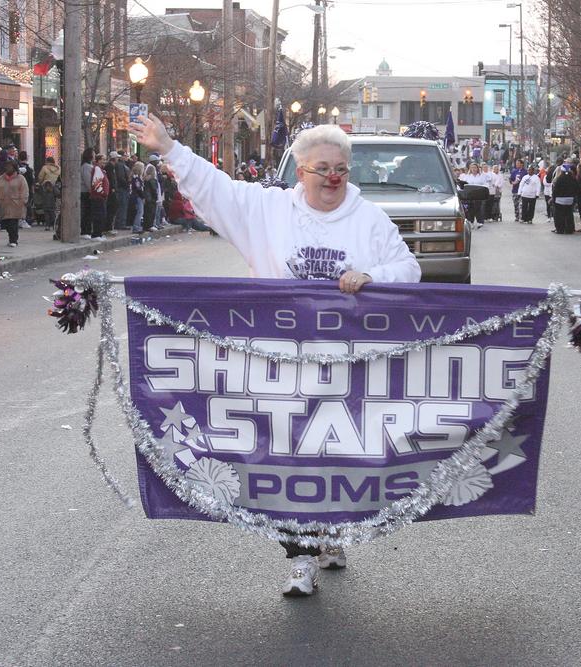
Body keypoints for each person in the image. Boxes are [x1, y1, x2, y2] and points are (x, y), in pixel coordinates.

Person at [130, 114, 421, 598]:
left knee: (335, 457)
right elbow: (214, 187)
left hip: (344, 370)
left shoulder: (369, 219)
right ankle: (301, 556)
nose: (334, 178)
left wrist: (373, 277)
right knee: (290, 458)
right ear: (300, 170)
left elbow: (408, 268)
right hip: (278, 366)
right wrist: (168, 147)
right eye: (323, 168)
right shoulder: (266, 210)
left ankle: (330, 532)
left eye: (342, 169)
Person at [0, 159, 29, 247]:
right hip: (4, 204)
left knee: (13, 223)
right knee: (6, 223)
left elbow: (24, 190)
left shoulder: (20, 178)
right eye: (7, 166)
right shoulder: (1, 178)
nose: (7, 168)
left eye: (10, 167)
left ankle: (13, 240)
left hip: (16, 204)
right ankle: (11, 237)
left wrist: (24, 200)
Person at [458, 162, 488, 229]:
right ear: (470, 169)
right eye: (472, 168)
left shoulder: (482, 176)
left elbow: (485, 184)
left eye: (475, 167)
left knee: (479, 208)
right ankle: (470, 221)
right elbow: (463, 185)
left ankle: (480, 221)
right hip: (470, 195)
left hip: (479, 194)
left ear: (477, 168)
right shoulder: (467, 176)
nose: (474, 169)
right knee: (470, 209)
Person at [550, 162, 577, 234]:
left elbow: (555, 191)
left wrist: (553, 198)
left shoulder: (559, 179)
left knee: (559, 215)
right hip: (570, 200)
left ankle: (560, 229)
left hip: (560, 200)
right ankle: (569, 229)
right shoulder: (572, 179)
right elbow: (575, 189)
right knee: (569, 214)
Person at [88, 156, 110, 238]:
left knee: (101, 216)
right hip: (98, 197)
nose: (104, 161)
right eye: (102, 160)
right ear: (98, 160)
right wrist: (103, 192)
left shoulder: (100, 170)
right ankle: (97, 234)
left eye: (105, 160)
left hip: (100, 197)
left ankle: (99, 234)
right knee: (99, 216)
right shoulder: (97, 169)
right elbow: (96, 183)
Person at [80, 148, 95, 239]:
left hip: (87, 192)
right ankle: (85, 231)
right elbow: (88, 180)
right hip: (85, 192)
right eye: (93, 153)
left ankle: (88, 230)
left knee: (88, 212)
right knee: (86, 212)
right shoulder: (86, 166)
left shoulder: (89, 166)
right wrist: (92, 191)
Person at [17, 150, 35, 227]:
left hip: (17, 189)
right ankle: (24, 219)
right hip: (26, 188)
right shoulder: (29, 170)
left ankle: (19, 219)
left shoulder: (16, 167)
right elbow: (31, 181)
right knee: (26, 204)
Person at [142, 162, 159, 232]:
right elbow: (154, 189)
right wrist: (156, 197)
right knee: (151, 212)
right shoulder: (153, 180)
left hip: (147, 197)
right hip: (151, 198)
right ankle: (150, 225)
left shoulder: (145, 179)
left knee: (147, 212)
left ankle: (146, 226)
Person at [129, 162, 145, 233]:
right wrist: (143, 197)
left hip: (137, 196)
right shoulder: (136, 178)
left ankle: (137, 226)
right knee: (140, 212)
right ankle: (136, 227)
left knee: (140, 212)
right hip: (137, 196)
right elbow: (138, 188)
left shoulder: (136, 177)